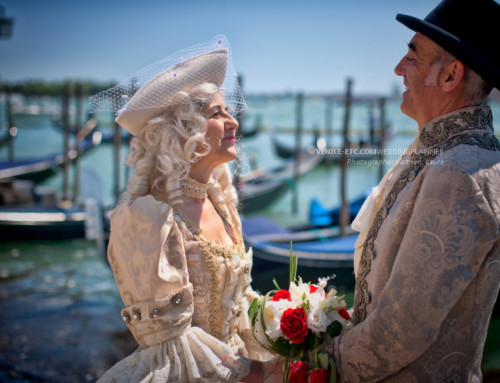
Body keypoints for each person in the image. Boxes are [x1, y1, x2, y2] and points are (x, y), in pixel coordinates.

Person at [322, 0, 500, 381]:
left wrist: (307, 364)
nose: (398, 69)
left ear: (451, 76)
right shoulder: (443, 148)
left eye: (412, 58)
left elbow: (398, 333)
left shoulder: (458, 170)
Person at [89, 36, 281, 382]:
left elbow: (238, 302)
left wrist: (293, 327)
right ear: (181, 132)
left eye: (228, 110)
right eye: (216, 113)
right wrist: (259, 373)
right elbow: (171, 347)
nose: (233, 122)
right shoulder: (151, 219)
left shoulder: (222, 206)